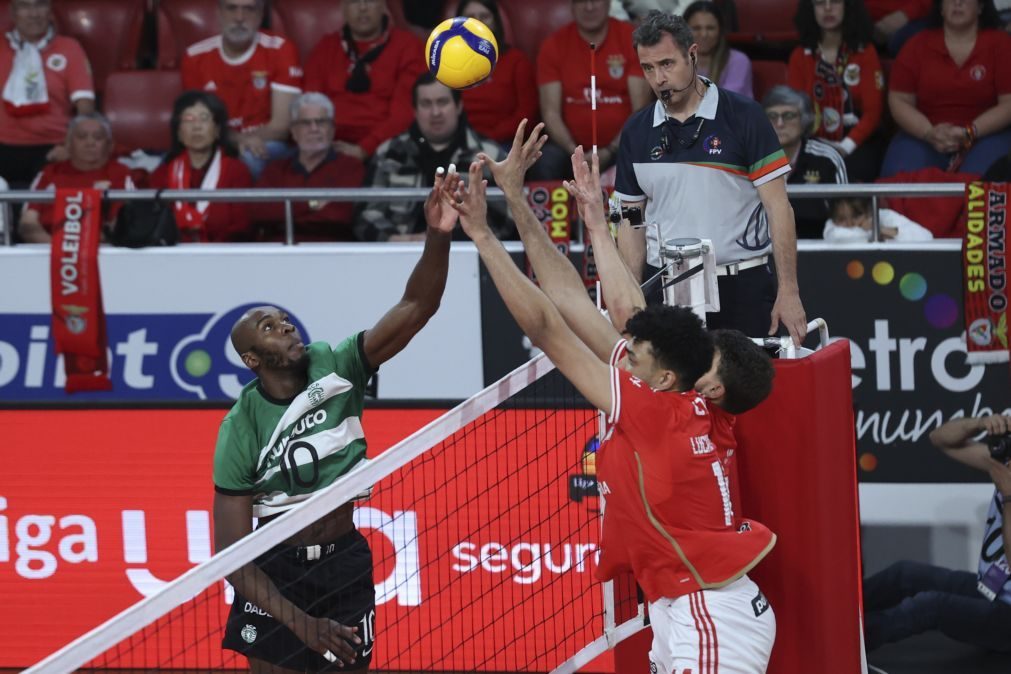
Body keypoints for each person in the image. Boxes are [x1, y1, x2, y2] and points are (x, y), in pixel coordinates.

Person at [449, 130, 778, 674]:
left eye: (635, 355)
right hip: (687, 605)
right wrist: (525, 200)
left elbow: (549, 326)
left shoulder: (657, 412)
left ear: (677, 377)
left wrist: (484, 235)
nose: (623, 352)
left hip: (712, 613)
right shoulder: (694, 406)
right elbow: (586, 304)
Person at [212, 170, 458, 673]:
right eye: (269, 328)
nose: (285, 326)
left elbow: (417, 306)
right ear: (253, 360)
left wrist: (438, 234)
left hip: (344, 561)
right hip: (273, 573)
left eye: (284, 319)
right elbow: (232, 555)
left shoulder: (338, 364)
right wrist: (299, 622)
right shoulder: (241, 425)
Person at [614, 11, 808, 345]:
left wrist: (788, 291)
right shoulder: (636, 131)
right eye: (648, 68)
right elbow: (630, 218)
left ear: (693, 55)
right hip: (667, 287)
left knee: (741, 395)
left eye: (667, 64)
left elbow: (778, 207)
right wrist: (630, 297)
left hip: (740, 285)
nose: (658, 78)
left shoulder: (744, 116)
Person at [863, 414, 1011, 653]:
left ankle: (843, 647)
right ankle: (833, 617)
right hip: (993, 588)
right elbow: (940, 439)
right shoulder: (1005, 467)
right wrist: (979, 424)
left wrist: (1008, 496)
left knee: (928, 606)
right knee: (904, 574)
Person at [355, 73, 510, 242]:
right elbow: (365, 215)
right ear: (414, 110)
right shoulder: (388, 154)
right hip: (398, 254)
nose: (435, 112)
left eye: (442, 102)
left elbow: (506, 219)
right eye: (426, 104)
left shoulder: (489, 156)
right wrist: (397, 240)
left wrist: (444, 241)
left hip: (467, 255)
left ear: (458, 106)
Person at [882, 0, 1011, 177]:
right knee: (898, 178)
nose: (957, 3)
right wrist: (928, 133)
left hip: (987, 134)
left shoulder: (1002, 44)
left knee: (982, 184)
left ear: (980, 6)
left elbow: (1008, 103)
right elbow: (899, 99)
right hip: (925, 134)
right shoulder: (916, 45)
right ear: (941, 8)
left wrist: (971, 131)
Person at [181, 0, 302, 180]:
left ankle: (254, 209)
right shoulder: (194, 56)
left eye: (249, 9)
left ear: (261, 15)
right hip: (216, 143)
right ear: (219, 12)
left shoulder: (280, 49)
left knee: (250, 158)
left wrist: (245, 142)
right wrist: (240, 140)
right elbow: (198, 123)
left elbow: (282, 126)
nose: (239, 18)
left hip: (268, 143)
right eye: (231, 8)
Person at [534, 0, 652, 179]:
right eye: (581, 1)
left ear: (608, 3)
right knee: (545, 161)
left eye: (595, 0)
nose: (589, 7)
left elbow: (640, 109)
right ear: (572, 6)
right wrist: (575, 152)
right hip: (569, 151)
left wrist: (610, 150)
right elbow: (550, 113)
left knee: (644, 153)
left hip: (621, 147)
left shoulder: (632, 39)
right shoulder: (553, 45)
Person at [303, 0, 426, 162]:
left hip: (386, 148)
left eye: (370, 1)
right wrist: (324, 146)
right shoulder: (325, 48)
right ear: (343, 8)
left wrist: (364, 149)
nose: (362, 8)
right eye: (354, 2)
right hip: (329, 148)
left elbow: (404, 115)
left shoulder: (408, 47)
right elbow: (310, 106)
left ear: (383, 5)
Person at [0, 0, 95, 189]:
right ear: (13, 12)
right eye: (25, 6)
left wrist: (71, 147)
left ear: (50, 10)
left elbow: (85, 107)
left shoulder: (69, 48)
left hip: (53, 146)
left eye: (40, 5)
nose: (34, 13)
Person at [788, 0, 886, 182]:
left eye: (834, 1)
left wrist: (845, 147)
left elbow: (873, 113)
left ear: (848, 6)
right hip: (814, 138)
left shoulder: (865, 52)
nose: (827, 8)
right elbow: (797, 110)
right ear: (810, 10)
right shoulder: (800, 56)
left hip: (858, 140)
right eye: (819, 3)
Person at [254, 93, 365, 242]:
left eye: (321, 122)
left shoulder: (350, 168)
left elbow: (340, 216)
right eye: (305, 123)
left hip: (331, 252)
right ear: (293, 131)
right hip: (280, 252)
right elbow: (260, 213)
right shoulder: (275, 169)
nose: (314, 129)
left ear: (332, 129)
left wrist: (287, 211)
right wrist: (311, 203)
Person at [149, 91, 253, 243]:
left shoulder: (236, 171)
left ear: (217, 130)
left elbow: (242, 226)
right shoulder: (162, 174)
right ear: (178, 132)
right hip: (173, 256)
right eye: (188, 119)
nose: (196, 127)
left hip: (224, 256)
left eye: (204, 119)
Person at [18, 112, 135, 244]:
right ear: (68, 143)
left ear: (110, 145)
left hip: (101, 250)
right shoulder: (50, 172)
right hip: (47, 248)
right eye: (82, 137)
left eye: (98, 137)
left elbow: (120, 225)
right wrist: (58, 249)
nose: (90, 142)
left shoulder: (120, 172)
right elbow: (28, 222)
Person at [763, 85, 848, 239]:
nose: (780, 123)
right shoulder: (751, 158)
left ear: (804, 120)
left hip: (819, 247)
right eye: (772, 116)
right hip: (765, 248)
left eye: (788, 115)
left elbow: (845, 216)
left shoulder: (827, 158)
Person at [454, 0, 539, 146]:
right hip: (459, 141)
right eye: (471, 18)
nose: (478, 24)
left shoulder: (516, 61)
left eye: (484, 16)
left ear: (496, 22)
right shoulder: (447, 62)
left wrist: (490, 138)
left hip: (505, 142)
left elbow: (527, 114)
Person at [684, 1, 753, 98]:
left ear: (720, 31)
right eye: (696, 28)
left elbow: (727, 101)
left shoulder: (738, 61)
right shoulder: (677, 61)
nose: (704, 35)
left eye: (710, 28)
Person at [823, 196, 933, 241]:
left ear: (870, 212)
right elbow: (840, 237)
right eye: (842, 219)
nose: (850, 223)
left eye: (856, 216)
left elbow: (926, 237)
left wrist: (880, 229)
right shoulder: (831, 226)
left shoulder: (883, 215)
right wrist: (877, 234)